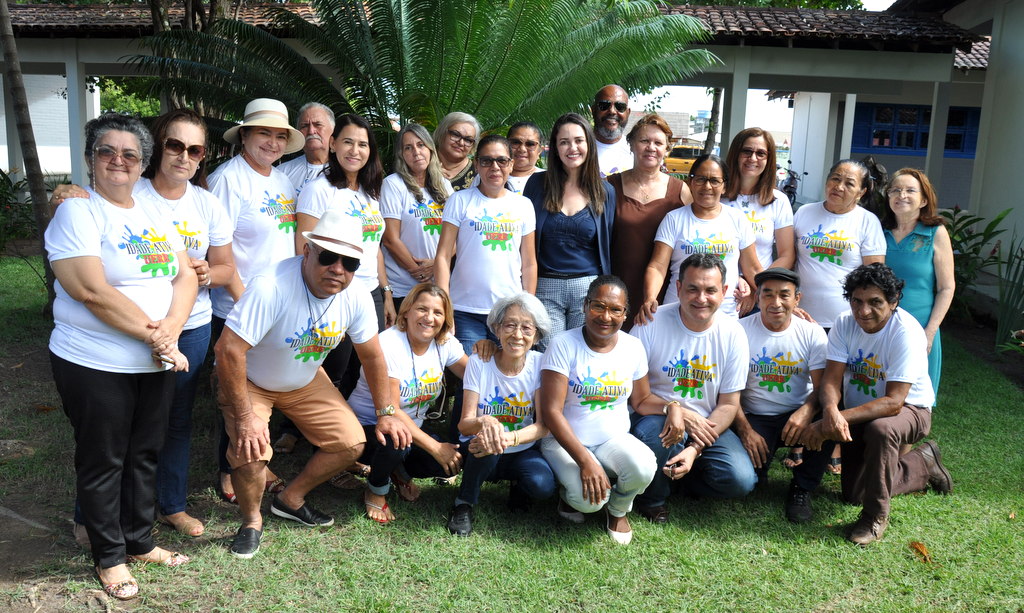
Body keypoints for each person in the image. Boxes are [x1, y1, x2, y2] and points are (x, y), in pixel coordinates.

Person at [46, 109, 236, 539]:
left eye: (195, 149)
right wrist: (64, 191)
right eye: (175, 145)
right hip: (123, 337)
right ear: (158, 148)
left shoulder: (204, 204)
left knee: (169, 424)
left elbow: (224, 269)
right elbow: (88, 275)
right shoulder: (122, 192)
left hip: (189, 326)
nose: (184, 156)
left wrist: (205, 275)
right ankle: (90, 519)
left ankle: (169, 507)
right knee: (109, 439)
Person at [214, 210, 411, 559]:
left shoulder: (356, 296)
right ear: (307, 251)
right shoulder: (272, 285)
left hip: (303, 379)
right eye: (328, 257)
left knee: (350, 443)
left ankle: (290, 499)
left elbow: (372, 357)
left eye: (349, 262)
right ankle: (251, 521)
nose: (338, 269)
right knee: (251, 452)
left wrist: (386, 412)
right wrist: (244, 417)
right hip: (251, 378)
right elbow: (228, 351)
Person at [802, 263, 952, 546]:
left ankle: (875, 517)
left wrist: (832, 422)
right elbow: (831, 380)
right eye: (856, 301)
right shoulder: (844, 322)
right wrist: (831, 412)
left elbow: (894, 402)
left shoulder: (906, 332)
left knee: (881, 429)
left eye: (875, 302)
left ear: (893, 302)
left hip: (910, 410)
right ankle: (924, 461)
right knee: (854, 494)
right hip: (861, 412)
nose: (863, 311)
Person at [208, 97, 302, 506]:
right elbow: (220, 250)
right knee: (233, 393)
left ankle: (258, 462)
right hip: (239, 307)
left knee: (264, 388)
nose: (272, 142)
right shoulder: (227, 180)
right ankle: (227, 467)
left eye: (280, 136)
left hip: (277, 307)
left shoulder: (282, 181)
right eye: (264, 133)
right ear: (244, 135)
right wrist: (247, 303)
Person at [629, 254, 756, 523]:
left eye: (710, 290)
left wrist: (695, 448)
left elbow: (729, 404)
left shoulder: (733, 334)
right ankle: (652, 499)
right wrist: (680, 412)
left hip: (708, 423)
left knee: (741, 480)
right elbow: (638, 398)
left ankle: (680, 476)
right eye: (692, 289)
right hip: (655, 415)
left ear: (724, 291)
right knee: (661, 437)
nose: (701, 298)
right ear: (678, 288)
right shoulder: (649, 323)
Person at [539, 276, 658, 545]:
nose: (606, 316)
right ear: (585, 305)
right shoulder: (562, 344)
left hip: (611, 439)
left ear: (625, 314)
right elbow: (551, 411)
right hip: (563, 442)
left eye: (615, 309)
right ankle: (569, 495)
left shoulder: (633, 347)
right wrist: (585, 461)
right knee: (589, 502)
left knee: (644, 467)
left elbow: (642, 400)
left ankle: (618, 509)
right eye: (598, 306)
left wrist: (673, 407)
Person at [435, 134, 537, 440]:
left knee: (503, 378)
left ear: (511, 164)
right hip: (466, 312)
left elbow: (529, 263)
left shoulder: (523, 205)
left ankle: (504, 440)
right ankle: (461, 443)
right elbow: (443, 256)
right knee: (472, 378)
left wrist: (527, 311)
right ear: (476, 165)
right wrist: (444, 307)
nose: (495, 167)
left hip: (508, 315)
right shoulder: (460, 201)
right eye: (487, 160)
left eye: (502, 160)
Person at [348, 283, 468, 523]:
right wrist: (435, 447)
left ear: (445, 319)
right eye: (422, 309)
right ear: (406, 312)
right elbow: (391, 411)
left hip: (412, 429)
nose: (429, 318)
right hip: (369, 426)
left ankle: (397, 469)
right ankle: (376, 488)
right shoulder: (389, 343)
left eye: (437, 312)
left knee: (448, 462)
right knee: (398, 442)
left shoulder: (444, 343)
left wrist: (491, 352)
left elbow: (476, 377)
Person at [296, 113, 393, 393]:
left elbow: (373, 247)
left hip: (370, 293)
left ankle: (355, 419)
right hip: (335, 292)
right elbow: (303, 249)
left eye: (363, 144)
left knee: (364, 369)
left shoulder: (370, 193)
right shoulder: (319, 190)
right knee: (331, 372)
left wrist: (385, 292)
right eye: (348, 142)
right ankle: (313, 420)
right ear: (333, 144)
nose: (355, 150)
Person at [447, 293, 557, 536]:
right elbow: (464, 425)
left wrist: (507, 438)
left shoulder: (540, 364)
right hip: (479, 449)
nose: (517, 334)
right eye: (510, 325)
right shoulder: (479, 362)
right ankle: (464, 503)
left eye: (526, 328)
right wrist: (485, 421)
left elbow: (543, 426)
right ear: (496, 329)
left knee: (542, 485)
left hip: (520, 449)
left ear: (536, 335)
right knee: (486, 442)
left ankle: (518, 486)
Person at [731, 267, 830, 523]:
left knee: (830, 416)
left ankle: (802, 488)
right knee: (746, 481)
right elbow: (728, 391)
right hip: (755, 416)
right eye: (768, 294)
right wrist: (745, 430)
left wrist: (806, 410)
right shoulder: (739, 331)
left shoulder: (812, 333)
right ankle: (760, 469)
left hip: (798, 414)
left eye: (784, 295)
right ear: (758, 298)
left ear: (797, 299)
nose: (776, 303)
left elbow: (822, 387)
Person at [523, 113, 616, 343]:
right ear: (555, 148)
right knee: (549, 353)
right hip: (545, 287)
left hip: (587, 289)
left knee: (581, 354)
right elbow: (525, 241)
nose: (572, 148)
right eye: (564, 142)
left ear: (589, 144)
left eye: (578, 140)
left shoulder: (605, 192)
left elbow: (609, 244)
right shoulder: (537, 184)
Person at [637, 154, 761, 324]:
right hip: (677, 312)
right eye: (700, 179)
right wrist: (650, 297)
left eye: (714, 181)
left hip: (724, 314)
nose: (707, 186)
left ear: (724, 186)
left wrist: (773, 294)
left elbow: (753, 268)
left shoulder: (737, 219)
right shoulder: (674, 219)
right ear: (691, 182)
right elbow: (658, 266)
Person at [608, 114, 691, 326]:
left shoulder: (681, 191)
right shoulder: (608, 186)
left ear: (667, 148)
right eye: (644, 141)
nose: (651, 148)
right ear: (631, 144)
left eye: (658, 143)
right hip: (616, 287)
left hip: (665, 290)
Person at [882, 169, 954, 396]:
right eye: (895, 190)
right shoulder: (879, 231)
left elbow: (946, 288)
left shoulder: (935, 233)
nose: (901, 195)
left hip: (920, 326)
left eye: (910, 190)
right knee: (877, 390)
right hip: (880, 324)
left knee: (915, 397)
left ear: (923, 200)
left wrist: (930, 331)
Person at [792, 159, 886, 329]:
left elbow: (874, 275)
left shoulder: (867, 221)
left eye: (849, 183)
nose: (839, 187)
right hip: (800, 316)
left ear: (861, 192)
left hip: (845, 320)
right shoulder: (804, 212)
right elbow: (790, 259)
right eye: (835, 179)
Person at [721, 128, 795, 315]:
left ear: (769, 160)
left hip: (760, 295)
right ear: (736, 154)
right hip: (720, 292)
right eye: (747, 151)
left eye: (761, 153)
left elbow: (786, 255)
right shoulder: (717, 196)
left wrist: (757, 287)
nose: (753, 158)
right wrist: (738, 279)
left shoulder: (779, 201)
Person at [380, 123, 452, 309]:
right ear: (401, 155)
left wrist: (436, 265)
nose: (416, 152)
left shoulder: (444, 185)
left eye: (421, 145)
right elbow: (390, 239)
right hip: (404, 289)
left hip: (439, 286)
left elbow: (457, 236)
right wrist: (419, 272)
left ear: (430, 149)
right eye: (408, 148)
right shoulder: (393, 185)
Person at [277, 102, 335, 195]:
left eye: (318, 124)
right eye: (304, 126)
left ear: (333, 130)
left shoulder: (347, 170)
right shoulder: (282, 172)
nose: (311, 131)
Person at [591, 84, 633, 176]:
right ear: (593, 111)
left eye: (620, 106)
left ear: (628, 112)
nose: (612, 111)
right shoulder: (578, 150)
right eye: (604, 105)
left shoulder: (636, 151)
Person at [433, 112, 480, 191]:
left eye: (468, 140)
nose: (461, 143)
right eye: (456, 135)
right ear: (442, 132)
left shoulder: (478, 175)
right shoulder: (422, 163)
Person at [506, 121, 546, 194]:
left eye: (530, 144)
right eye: (515, 142)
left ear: (540, 151)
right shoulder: (489, 178)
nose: (522, 149)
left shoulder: (550, 180)